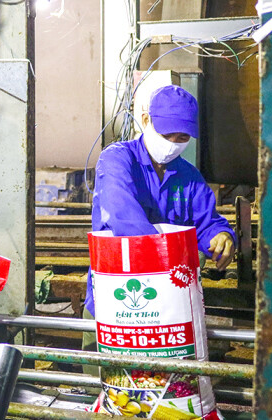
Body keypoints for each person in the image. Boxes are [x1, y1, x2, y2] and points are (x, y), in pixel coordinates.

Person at [81, 85, 236, 374]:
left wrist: (221, 235)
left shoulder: (189, 176)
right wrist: (167, 256)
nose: (173, 143)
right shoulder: (117, 159)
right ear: (146, 120)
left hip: (168, 310)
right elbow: (122, 215)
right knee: (108, 383)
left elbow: (206, 222)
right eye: (167, 135)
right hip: (115, 299)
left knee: (164, 384)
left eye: (182, 138)